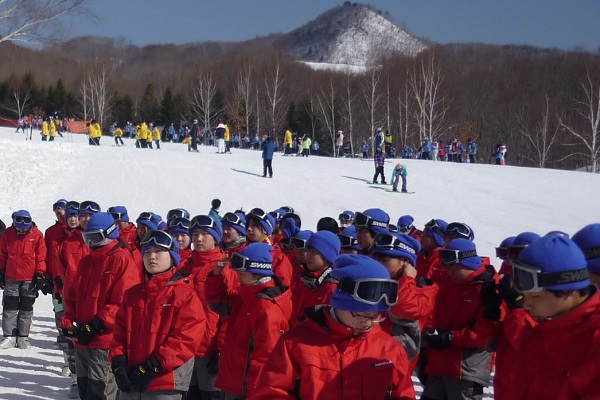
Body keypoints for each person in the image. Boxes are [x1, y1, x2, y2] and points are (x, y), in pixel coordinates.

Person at [253, 254, 416, 399]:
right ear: (341, 304)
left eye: (377, 318)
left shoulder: (390, 349)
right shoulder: (296, 343)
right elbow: (270, 392)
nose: (370, 324)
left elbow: (404, 394)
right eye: (364, 316)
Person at [499, 234, 600, 399]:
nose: (525, 305)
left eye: (535, 297)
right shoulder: (540, 333)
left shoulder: (594, 342)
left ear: (569, 290)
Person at [109, 230, 206, 399]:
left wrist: (154, 365)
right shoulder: (133, 294)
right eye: (147, 252)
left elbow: (186, 338)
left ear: (172, 257)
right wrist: (118, 362)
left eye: (159, 251)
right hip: (131, 378)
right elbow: (119, 333)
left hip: (164, 380)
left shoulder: (183, 294)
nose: (152, 257)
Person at [61, 212, 141, 400]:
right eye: (87, 238)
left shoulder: (121, 259)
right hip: (82, 339)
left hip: (104, 341)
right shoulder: (87, 261)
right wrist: (68, 320)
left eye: (95, 237)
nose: (91, 243)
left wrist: (97, 325)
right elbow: (72, 296)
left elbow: (122, 301)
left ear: (110, 233)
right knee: (84, 387)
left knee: (100, 391)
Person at [207, 243, 292, 399]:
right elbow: (219, 304)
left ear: (258, 273)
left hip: (246, 388)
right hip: (235, 381)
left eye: (242, 273)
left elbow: (265, 356)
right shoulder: (247, 297)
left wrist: (255, 392)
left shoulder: (266, 308)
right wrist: (215, 276)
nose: (237, 277)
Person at [421, 238, 499, 400]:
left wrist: (449, 337)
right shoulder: (449, 282)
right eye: (447, 267)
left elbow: (486, 334)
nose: (449, 271)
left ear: (468, 262)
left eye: (454, 267)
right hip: (438, 365)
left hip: (466, 371)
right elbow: (433, 315)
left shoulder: (487, 288)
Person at [0, 210, 47, 350]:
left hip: (29, 279)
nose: (21, 229)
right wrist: (1, 271)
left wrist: (40, 274)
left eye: (24, 227)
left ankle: (23, 336)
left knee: (26, 308)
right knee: (10, 306)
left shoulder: (37, 236)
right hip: (11, 277)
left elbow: (41, 256)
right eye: (18, 227)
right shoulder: (8, 234)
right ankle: (9, 335)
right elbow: (2, 254)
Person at [290, 231, 340, 324]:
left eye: (314, 252)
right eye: (307, 250)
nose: (308, 255)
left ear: (327, 255)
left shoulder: (331, 287)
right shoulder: (305, 278)